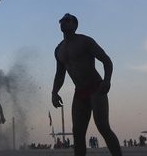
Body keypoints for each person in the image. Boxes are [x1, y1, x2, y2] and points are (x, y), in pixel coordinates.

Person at [52, 14, 122, 156]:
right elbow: (60, 74)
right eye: (61, 21)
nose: (63, 23)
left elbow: (106, 60)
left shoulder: (85, 41)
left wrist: (107, 80)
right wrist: (54, 92)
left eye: (67, 20)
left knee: (102, 126)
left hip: (96, 87)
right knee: (77, 132)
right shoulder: (59, 50)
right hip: (80, 92)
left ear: (75, 25)